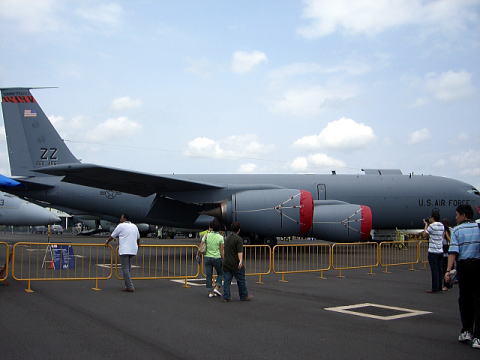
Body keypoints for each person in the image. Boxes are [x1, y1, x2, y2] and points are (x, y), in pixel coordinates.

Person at [445, 204, 480, 349]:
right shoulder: (478, 228)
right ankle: (478, 337)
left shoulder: (457, 230)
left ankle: (466, 331)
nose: (456, 217)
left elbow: (453, 251)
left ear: (464, 215)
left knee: (465, 300)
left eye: (457, 215)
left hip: (464, 267)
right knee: (478, 300)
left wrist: (448, 271)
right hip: (478, 266)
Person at [105, 214, 140, 292]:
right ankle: (127, 285)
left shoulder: (121, 226)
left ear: (124, 218)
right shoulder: (134, 226)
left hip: (125, 250)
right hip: (133, 250)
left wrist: (107, 242)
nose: (120, 219)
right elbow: (138, 238)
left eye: (121, 217)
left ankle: (130, 286)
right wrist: (137, 246)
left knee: (125, 269)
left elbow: (112, 236)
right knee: (128, 268)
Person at [222, 222, 251, 302]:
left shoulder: (227, 238)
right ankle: (244, 296)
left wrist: (224, 259)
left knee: (227, 281)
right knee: (241, 280)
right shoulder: (238, 239)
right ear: (239, 230)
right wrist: (240, 261)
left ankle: (226, 296)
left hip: (226, 263)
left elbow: (224, 250)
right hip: (235, 263)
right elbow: (239, 252)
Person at [423, 212, 444, 293]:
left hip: (433, 251)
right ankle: (439, 287)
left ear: (433, 218)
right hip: (440, 250)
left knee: (434, 270)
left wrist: (426, 224)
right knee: (439, 270)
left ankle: (434, 288)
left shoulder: (432, 226)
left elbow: (425, 234)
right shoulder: (441, 225)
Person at [204, 219, 224, 298]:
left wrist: (198, 255)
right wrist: (224, 258)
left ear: (211, 227)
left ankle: (210, 292)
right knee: (221, 273)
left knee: (209, 275)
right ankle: (217, 287)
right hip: (217, 258)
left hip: (207, 257)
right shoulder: (220, 237)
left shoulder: (206, 235)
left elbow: (201, 246)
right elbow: (221, 250)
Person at [441, 219, 453, 291]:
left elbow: (451, 241)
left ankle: (446, 285)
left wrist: (446, 235)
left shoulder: (449, 231)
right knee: (448, 270)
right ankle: (449, 284)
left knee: (446, 271)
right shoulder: (451, 229)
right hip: (447, 252)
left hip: (447, 253)